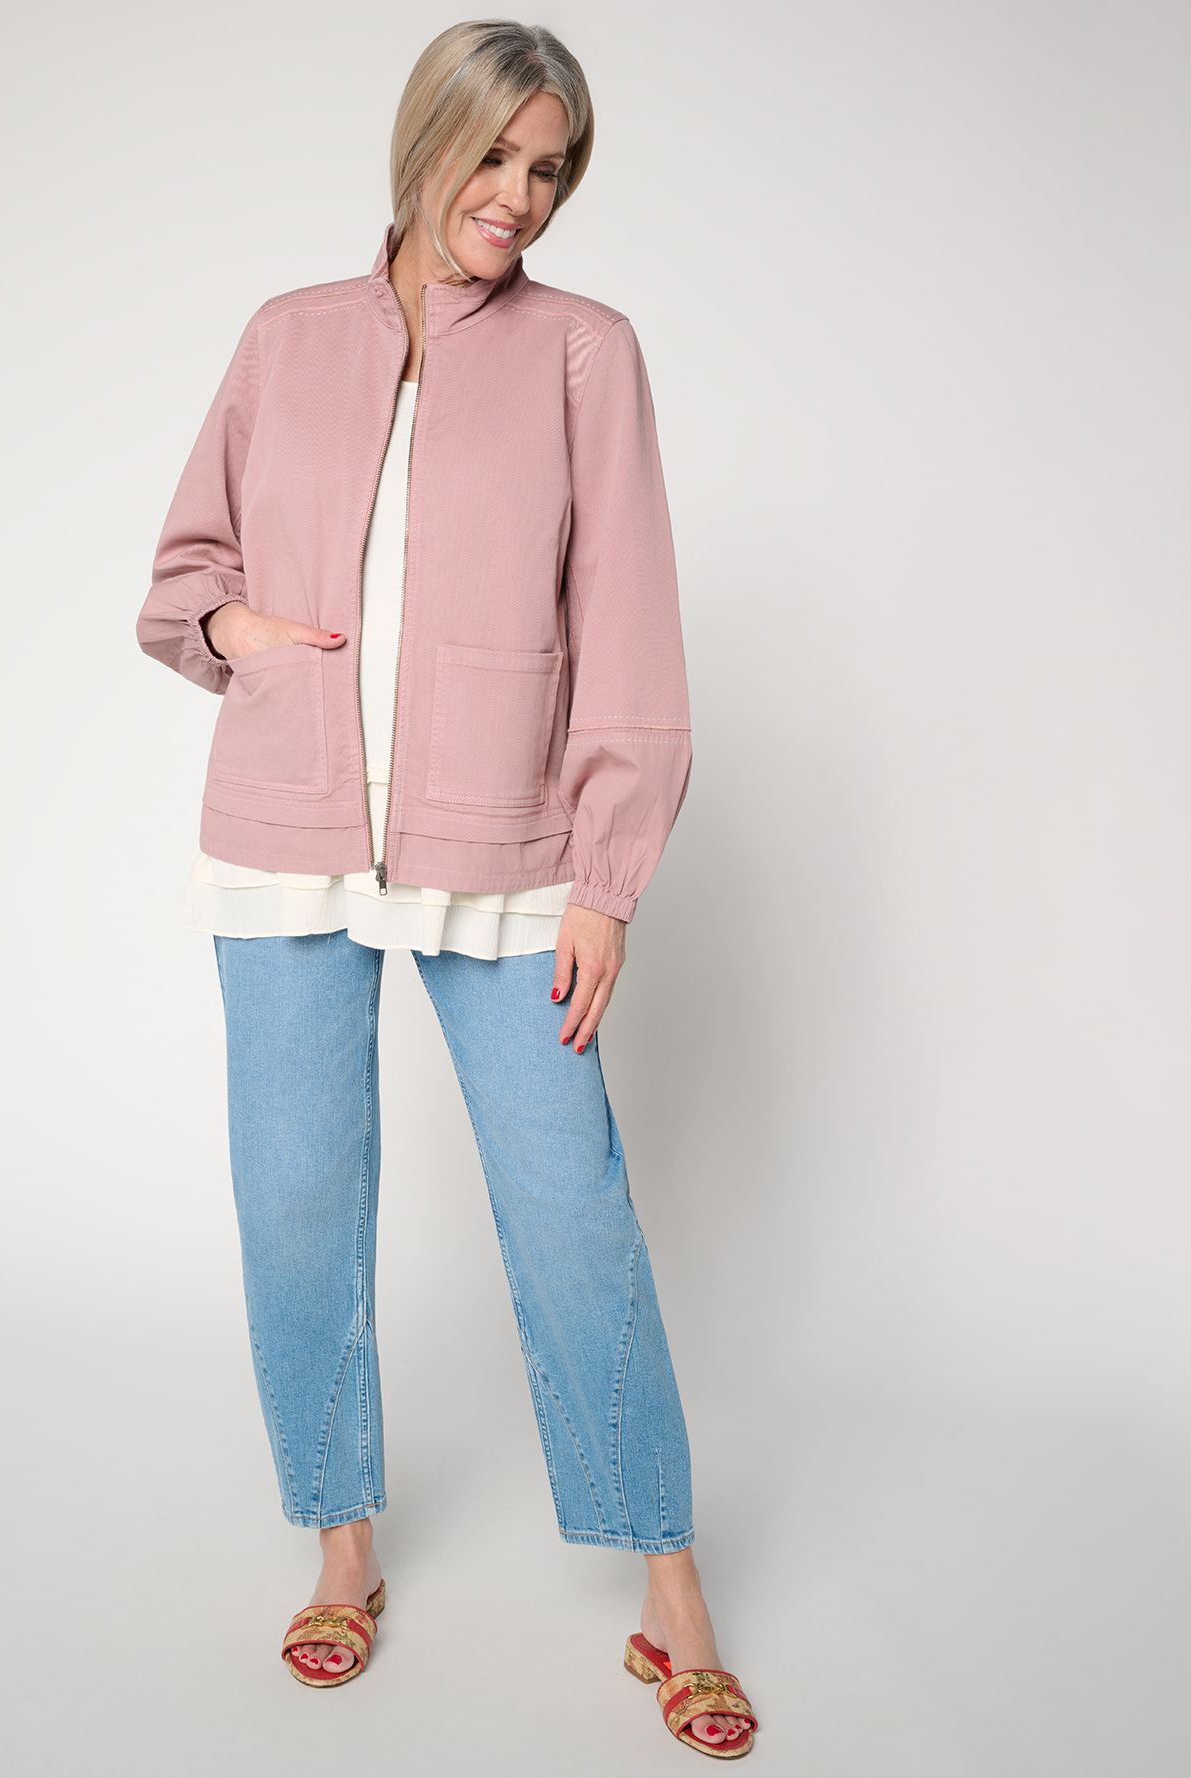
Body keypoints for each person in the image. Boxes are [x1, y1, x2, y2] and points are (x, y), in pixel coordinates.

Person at [135, 20, 758, 1760]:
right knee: (297, 1201)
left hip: (508, 847)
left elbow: (629, 620)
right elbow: (181, 574)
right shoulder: (288, 336)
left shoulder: (585, 354)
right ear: (427, 144)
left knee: (574, 1211)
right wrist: (237, 627)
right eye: (496, 156)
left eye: (550, 170)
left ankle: (670, 1581)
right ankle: (342, 1541)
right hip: (285, 827)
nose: (520, 197)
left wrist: (606, 876)